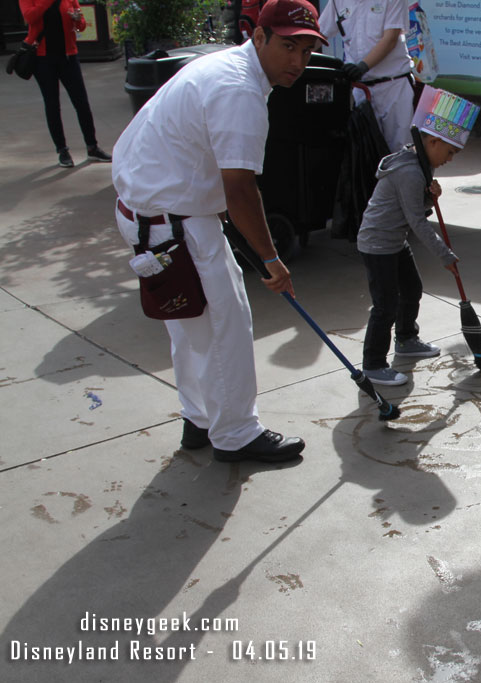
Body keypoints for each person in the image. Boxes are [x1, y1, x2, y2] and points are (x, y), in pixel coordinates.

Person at [111, 0, 327, 462]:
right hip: (173, 219)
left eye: (307, 52)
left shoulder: (226, 66)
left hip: (149, 212)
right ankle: (235, 433)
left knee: (190, 326)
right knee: (226, 325)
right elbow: (240, 189)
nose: (298, 62)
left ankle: (200, 420)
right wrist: (271, 259)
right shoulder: (240, 90)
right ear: (260, 36)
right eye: (289, 46)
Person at [357, 87, 481, 386]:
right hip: (378, 244)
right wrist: (444, 255)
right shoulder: (411, 172)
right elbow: (416, 221)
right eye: (450, 152)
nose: (450, 158)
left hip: (394, 241)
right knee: (385, 304)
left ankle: (406, 339)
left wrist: (430, 197)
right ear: (433, 141)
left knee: (411, 290)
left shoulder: (417, 165)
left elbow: (414, 210)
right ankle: (373, 364)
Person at [18, 0, 111, 168]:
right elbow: (29, 17)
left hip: (68, 56)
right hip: (42, 59)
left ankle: (92, 147)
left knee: (81, 103)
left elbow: (81, 25)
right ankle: (62, 150)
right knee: (52, 104)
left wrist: (77, 19)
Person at [318, 0, 415, 152]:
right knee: (364, 155)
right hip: (361, 91)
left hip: (394, 86)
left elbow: (390, 39)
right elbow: (319, 34)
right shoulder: (338, 2)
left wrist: (362, 67)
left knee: (400, 153)